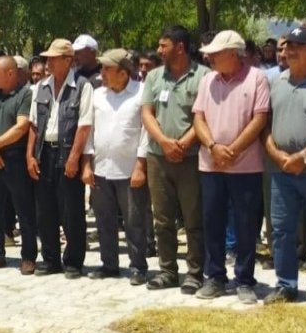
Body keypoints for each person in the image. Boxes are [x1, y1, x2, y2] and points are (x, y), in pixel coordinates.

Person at [187, 31, 269, 302]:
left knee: (246, 225)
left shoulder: (257, 78)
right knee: (212, 222)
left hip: (245, 166)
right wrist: (213, 147)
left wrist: (232, 149)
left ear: (233, 54)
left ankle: (245, 280)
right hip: (210, 165)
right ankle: (215, 277)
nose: (209, 57)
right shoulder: (208, 79)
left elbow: (259, 119)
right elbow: (198, 118)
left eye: (215, 53)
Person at [141, 25, 210, 294]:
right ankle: (167, 270)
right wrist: (165, 142)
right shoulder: (155, 77)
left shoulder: (204, 76)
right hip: (158, 158)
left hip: (191, 159)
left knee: (193, 218)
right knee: (162, 219)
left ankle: (195, 273)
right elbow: (147, 113)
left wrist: (183, 143)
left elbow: (203, 117)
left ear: (180, 47)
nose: (159, 50)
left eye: (163, 45)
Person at [26, 38, 93, 278]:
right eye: (48, 59)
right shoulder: (42, 87)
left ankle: (73, 261)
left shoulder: (82, 86)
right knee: (45, 209)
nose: (48, 63)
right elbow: (33, 125)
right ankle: (51, 259)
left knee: (71, 209)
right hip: (44, 152)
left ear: (68, 60)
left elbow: (84, 125)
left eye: (53, 59)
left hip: (66, 151)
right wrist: (30, 156)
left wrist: (74, 158)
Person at [82, 49, 150, 285]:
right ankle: (109, 264)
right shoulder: (98, 95)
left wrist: (141, 165)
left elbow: (146, 133)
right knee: (104, 220)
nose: (102, 73)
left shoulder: (141, 94)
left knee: (134, 221)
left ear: (123, 72)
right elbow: (89, 132)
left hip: (130, 169)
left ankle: (138, 266)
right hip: (101, 169)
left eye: (107, 69)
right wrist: (87, 165)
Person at [263, 27, 306, 308]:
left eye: (298, 45)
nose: (290, 50)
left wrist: (304, 156)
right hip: (281, 172)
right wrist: (276, 154)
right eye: (288, 45)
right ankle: (286, 285)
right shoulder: (277, 81)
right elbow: (267, 123)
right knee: (282, 231)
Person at [0, 57, 37, 272]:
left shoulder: (25, 94)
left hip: (14, 159)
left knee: (24, 209)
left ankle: (28, 257)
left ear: (11, 73)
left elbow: (21, 128)